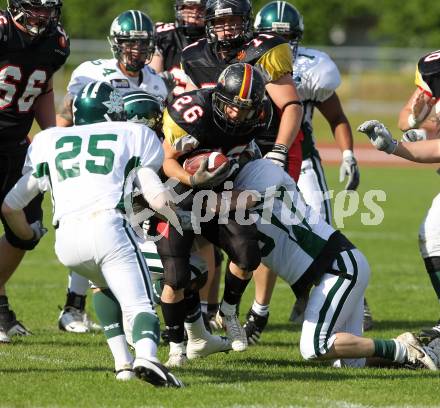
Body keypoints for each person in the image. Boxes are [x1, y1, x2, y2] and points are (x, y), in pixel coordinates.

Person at [1, 81, 183, 387]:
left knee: (103, 287)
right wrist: (177, 216)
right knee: (140, 304)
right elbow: (156, 196)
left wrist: (28, 236)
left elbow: (9, 206)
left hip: (67, 242)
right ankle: (149, 358)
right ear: (113, 111)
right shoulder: (132, 135)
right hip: (109, 226)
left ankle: (123, 365)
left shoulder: (50, 141)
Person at [242, 1, 367, 346]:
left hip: (303, 158)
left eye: (288, 37)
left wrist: (347, 155)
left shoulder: (313, 69)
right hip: (254, 157)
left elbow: (337, 117)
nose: (281, 43)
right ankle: (257, 309)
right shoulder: (244, 62)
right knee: (259, 234)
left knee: (319, 227)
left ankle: (340, 294)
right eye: (274, 36)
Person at [55, 10, 168, 334]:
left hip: (134, 169)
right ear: (116, 44)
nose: (136, 50)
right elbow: (68, 117)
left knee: (127, 238)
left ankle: (132, 305)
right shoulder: (92, 72)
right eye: (130, 43)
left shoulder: (156, 81)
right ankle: (73, 307)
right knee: (91, 229)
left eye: (143, 44)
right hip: (97, 167)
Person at [158, 63, 274, 365]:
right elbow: (167, 160)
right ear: (219, 98)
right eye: (232, 106)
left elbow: (250, 153)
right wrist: (193, 179)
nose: (237, 114)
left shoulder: (260, 117)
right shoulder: (193, 111)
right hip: (178, 193)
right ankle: (176, 348)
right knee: (177, 276)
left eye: (246, 108)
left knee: (248, 255)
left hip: (220, 192)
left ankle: (229, 310)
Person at [0, 0, 70, 343]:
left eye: (48, 10)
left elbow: (43, 88)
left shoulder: (55, 42)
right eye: (35, 9)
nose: (43, 17)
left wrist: (53, 137)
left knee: (27, 231)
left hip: (17, 147)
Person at [396, 49, 440, 340]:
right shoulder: (432, 71)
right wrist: (417, 119)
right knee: (433, 236)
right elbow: (405, 119)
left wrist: (398, 146)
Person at [150, 0, 206, 96]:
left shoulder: (216, 38)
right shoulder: (164, 36)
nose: (195, 13)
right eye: (190, 7)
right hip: (167, 104)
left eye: (201, 8)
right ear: (180, 8)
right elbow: (152, 82)